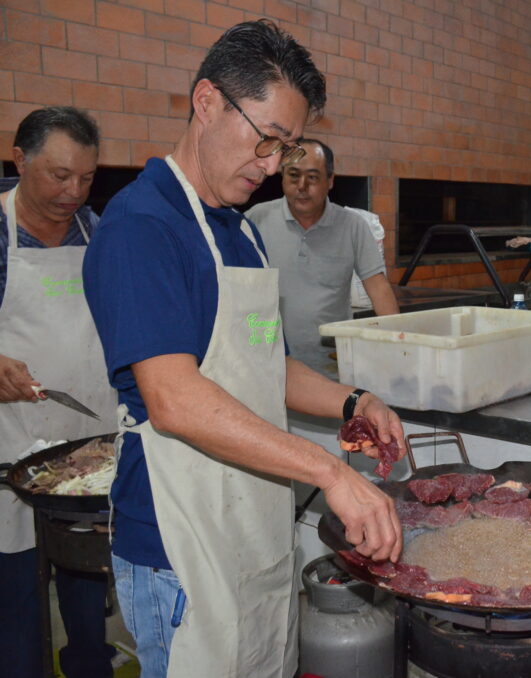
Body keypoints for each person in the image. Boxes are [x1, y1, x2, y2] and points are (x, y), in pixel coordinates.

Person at [82, 21, 406, 678]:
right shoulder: (142, 226)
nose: (270, 166)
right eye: (264, 140)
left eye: (285, 148)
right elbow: (172, 398)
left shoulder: (240, 232)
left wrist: (354, 398)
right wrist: (330, 471)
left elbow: (266, 365)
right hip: (179, 541)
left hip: (254, 524)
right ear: (207, 102)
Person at [0, 107, 119, 678]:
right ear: (19, 159)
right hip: (12, 452)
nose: (74, 191)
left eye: (87, 177)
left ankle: (90, 662)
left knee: (85, 579)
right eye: (59, 175)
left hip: (87, 453)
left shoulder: (98, 233)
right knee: (18, 595)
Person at [245, 137, 398, 375]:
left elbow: (378, 287)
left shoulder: (352, 226)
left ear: (330, 181)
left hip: (332, 365)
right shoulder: (257, 219)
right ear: (282, 176)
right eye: (293, 175)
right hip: (270, 364)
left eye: (313, 177)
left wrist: (399, 347)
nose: (302, 186)